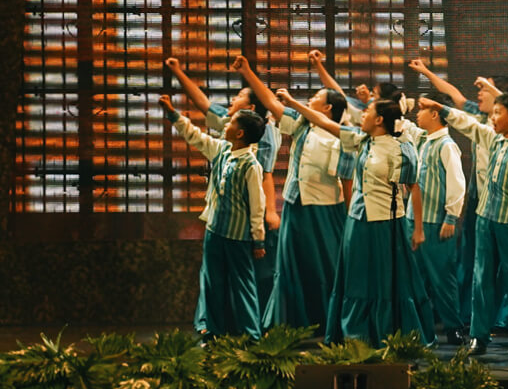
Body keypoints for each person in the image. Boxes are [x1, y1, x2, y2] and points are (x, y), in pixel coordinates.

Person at [278, 90, 430, 346]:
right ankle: (354, 333)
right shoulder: (361, 141)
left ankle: (386, 332)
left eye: (368, 113)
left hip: (386, 222)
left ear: (380, 119)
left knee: (385, 280)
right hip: (357, 220)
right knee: (355, 278)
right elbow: (325, 122)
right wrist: (293, 104)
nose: (362, 117)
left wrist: (418, 229)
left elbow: (414, 186)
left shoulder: (401, 148)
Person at [238, 60, 353, 333]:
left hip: (325, 210)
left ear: (327, 109)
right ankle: (289, 323)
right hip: (295, 204)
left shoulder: (342, 139)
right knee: (290, 264)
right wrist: (247, 71)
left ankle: (329, 322)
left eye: (316, 97)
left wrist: (349, 218)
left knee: (325, 266)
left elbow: (347, 182)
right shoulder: (302, 125)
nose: (310, 99)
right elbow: (272, 103)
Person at [425, 89, 508, 355]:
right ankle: (479, 336)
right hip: (485, 220)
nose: (493, 117)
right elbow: (469, 125)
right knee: (482, 279)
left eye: (498, 113)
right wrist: (442, 109)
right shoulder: (494, 140)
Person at [166, 56, 282, 311]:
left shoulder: (262, 135)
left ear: (251, 108)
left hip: (247, 211)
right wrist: (177, 71)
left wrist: (270, 211)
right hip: (222, 213)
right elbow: (203, 103)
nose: (232, 100)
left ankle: (249, 325)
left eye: (239, 95)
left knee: (247, 273)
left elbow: (265, 174)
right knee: (216, 273)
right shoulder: (231, 124)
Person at [159, 94, 267, 339]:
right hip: (215, 231)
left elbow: (257, 205)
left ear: (240, 134)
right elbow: (195, 136)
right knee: (212, 282)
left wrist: (258, 239)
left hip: (238, 236)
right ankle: (212, 330)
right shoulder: (222, 149)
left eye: (231, 124)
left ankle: (252, 334)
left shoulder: (251, 165)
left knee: (243, 284)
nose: (226, 125)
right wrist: (173, 114)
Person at [407, 99, 467, 344]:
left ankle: (453, 327)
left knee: (442, 277)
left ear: (434, 113)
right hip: (415, 220)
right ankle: (421, 329)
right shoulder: (423, 141)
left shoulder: (446, 145)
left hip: (436, 222)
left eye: (421, 110)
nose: (417, 114)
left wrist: (451, 216)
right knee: (416, 277)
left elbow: (456, 182)